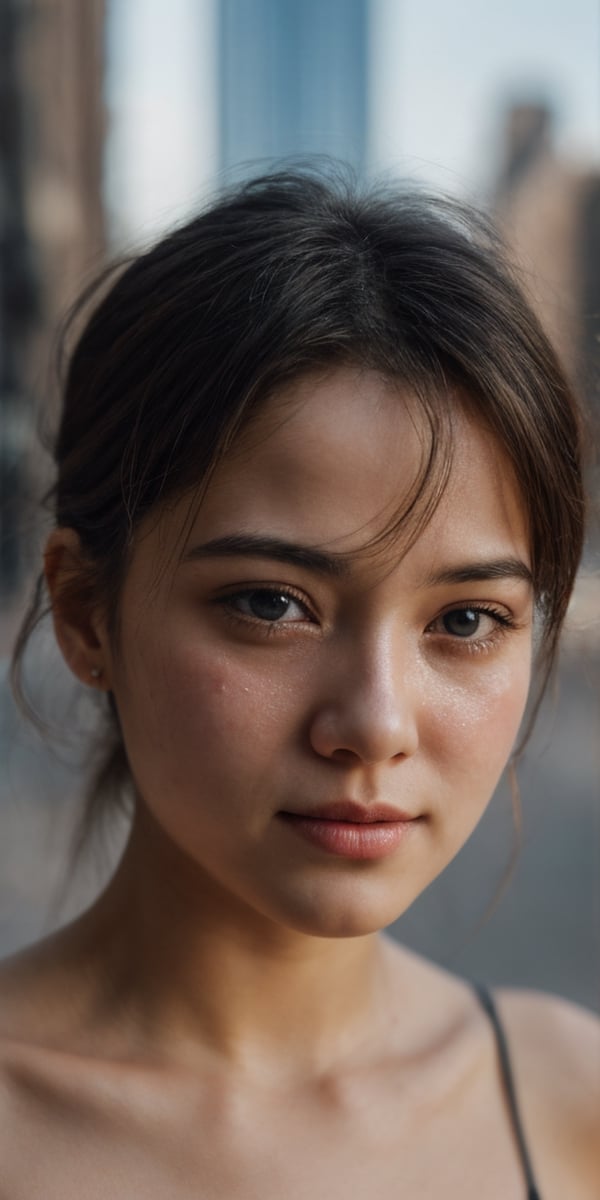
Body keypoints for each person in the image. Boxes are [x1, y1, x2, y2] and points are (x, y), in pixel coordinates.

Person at [1, 168, 598, 1199]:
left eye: (466, 620)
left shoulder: (570, 1107)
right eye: (271, 604)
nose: (373, 723)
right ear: (86, 610)